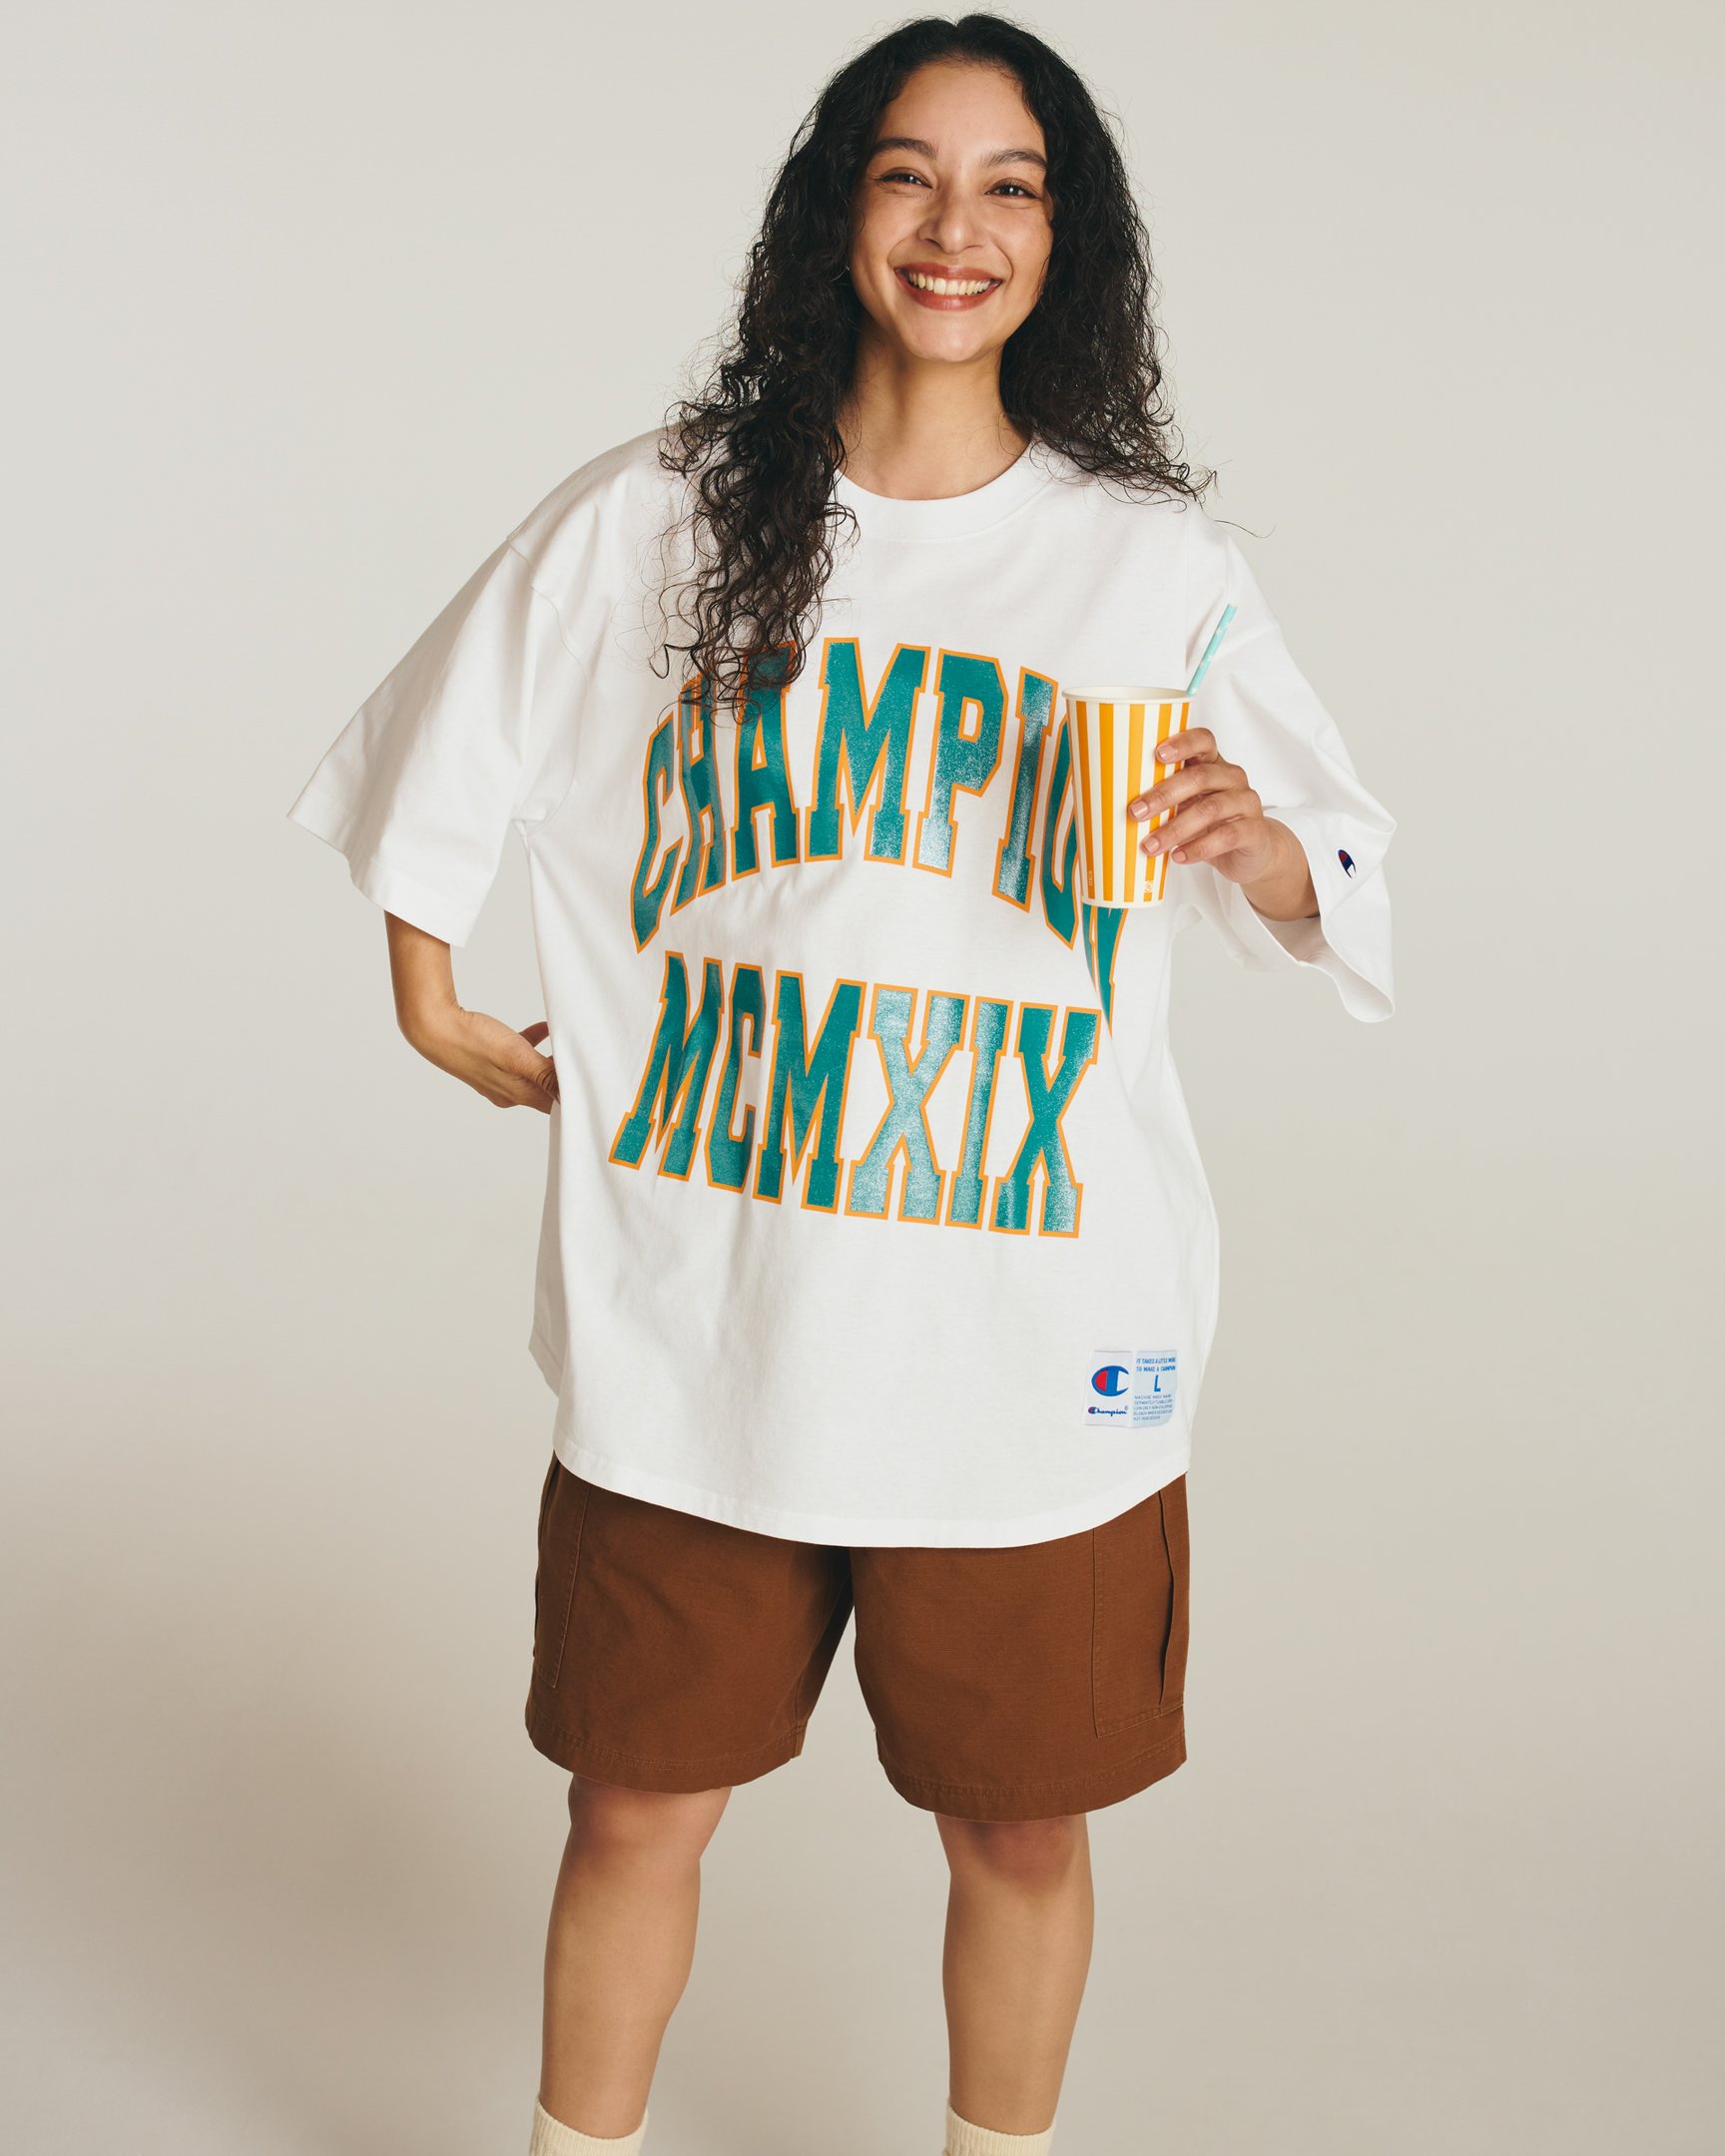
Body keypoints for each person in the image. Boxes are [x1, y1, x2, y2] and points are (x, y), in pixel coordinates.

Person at [286, 15, 1396, 2155]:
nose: (955, 226)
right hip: (706, 1303)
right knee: (633, 1804)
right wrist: (429, 994)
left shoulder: (1148, 565)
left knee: (1024, 1827)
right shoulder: (667, 516)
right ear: (838, 212)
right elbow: (441, 741)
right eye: (908, 173)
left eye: (1011, 185)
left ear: (1066, 240)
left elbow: (1332, 866)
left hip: (1029, 1325)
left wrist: (1263, 847)